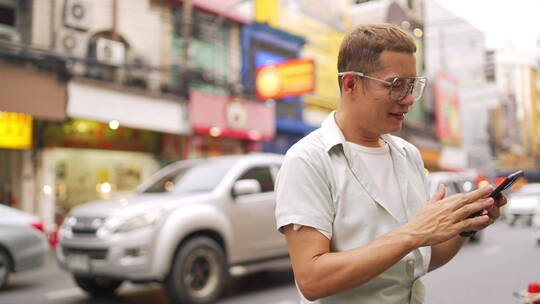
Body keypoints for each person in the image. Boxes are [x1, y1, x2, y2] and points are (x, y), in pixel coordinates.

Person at [274, 23, 506, 304]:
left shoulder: (408, 155)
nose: (408, 100)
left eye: (412, 86)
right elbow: (312, 279)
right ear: (351, 84)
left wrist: (466, 226)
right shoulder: (309, 160)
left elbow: (414, 261)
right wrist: (412, 233)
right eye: (396, 86)